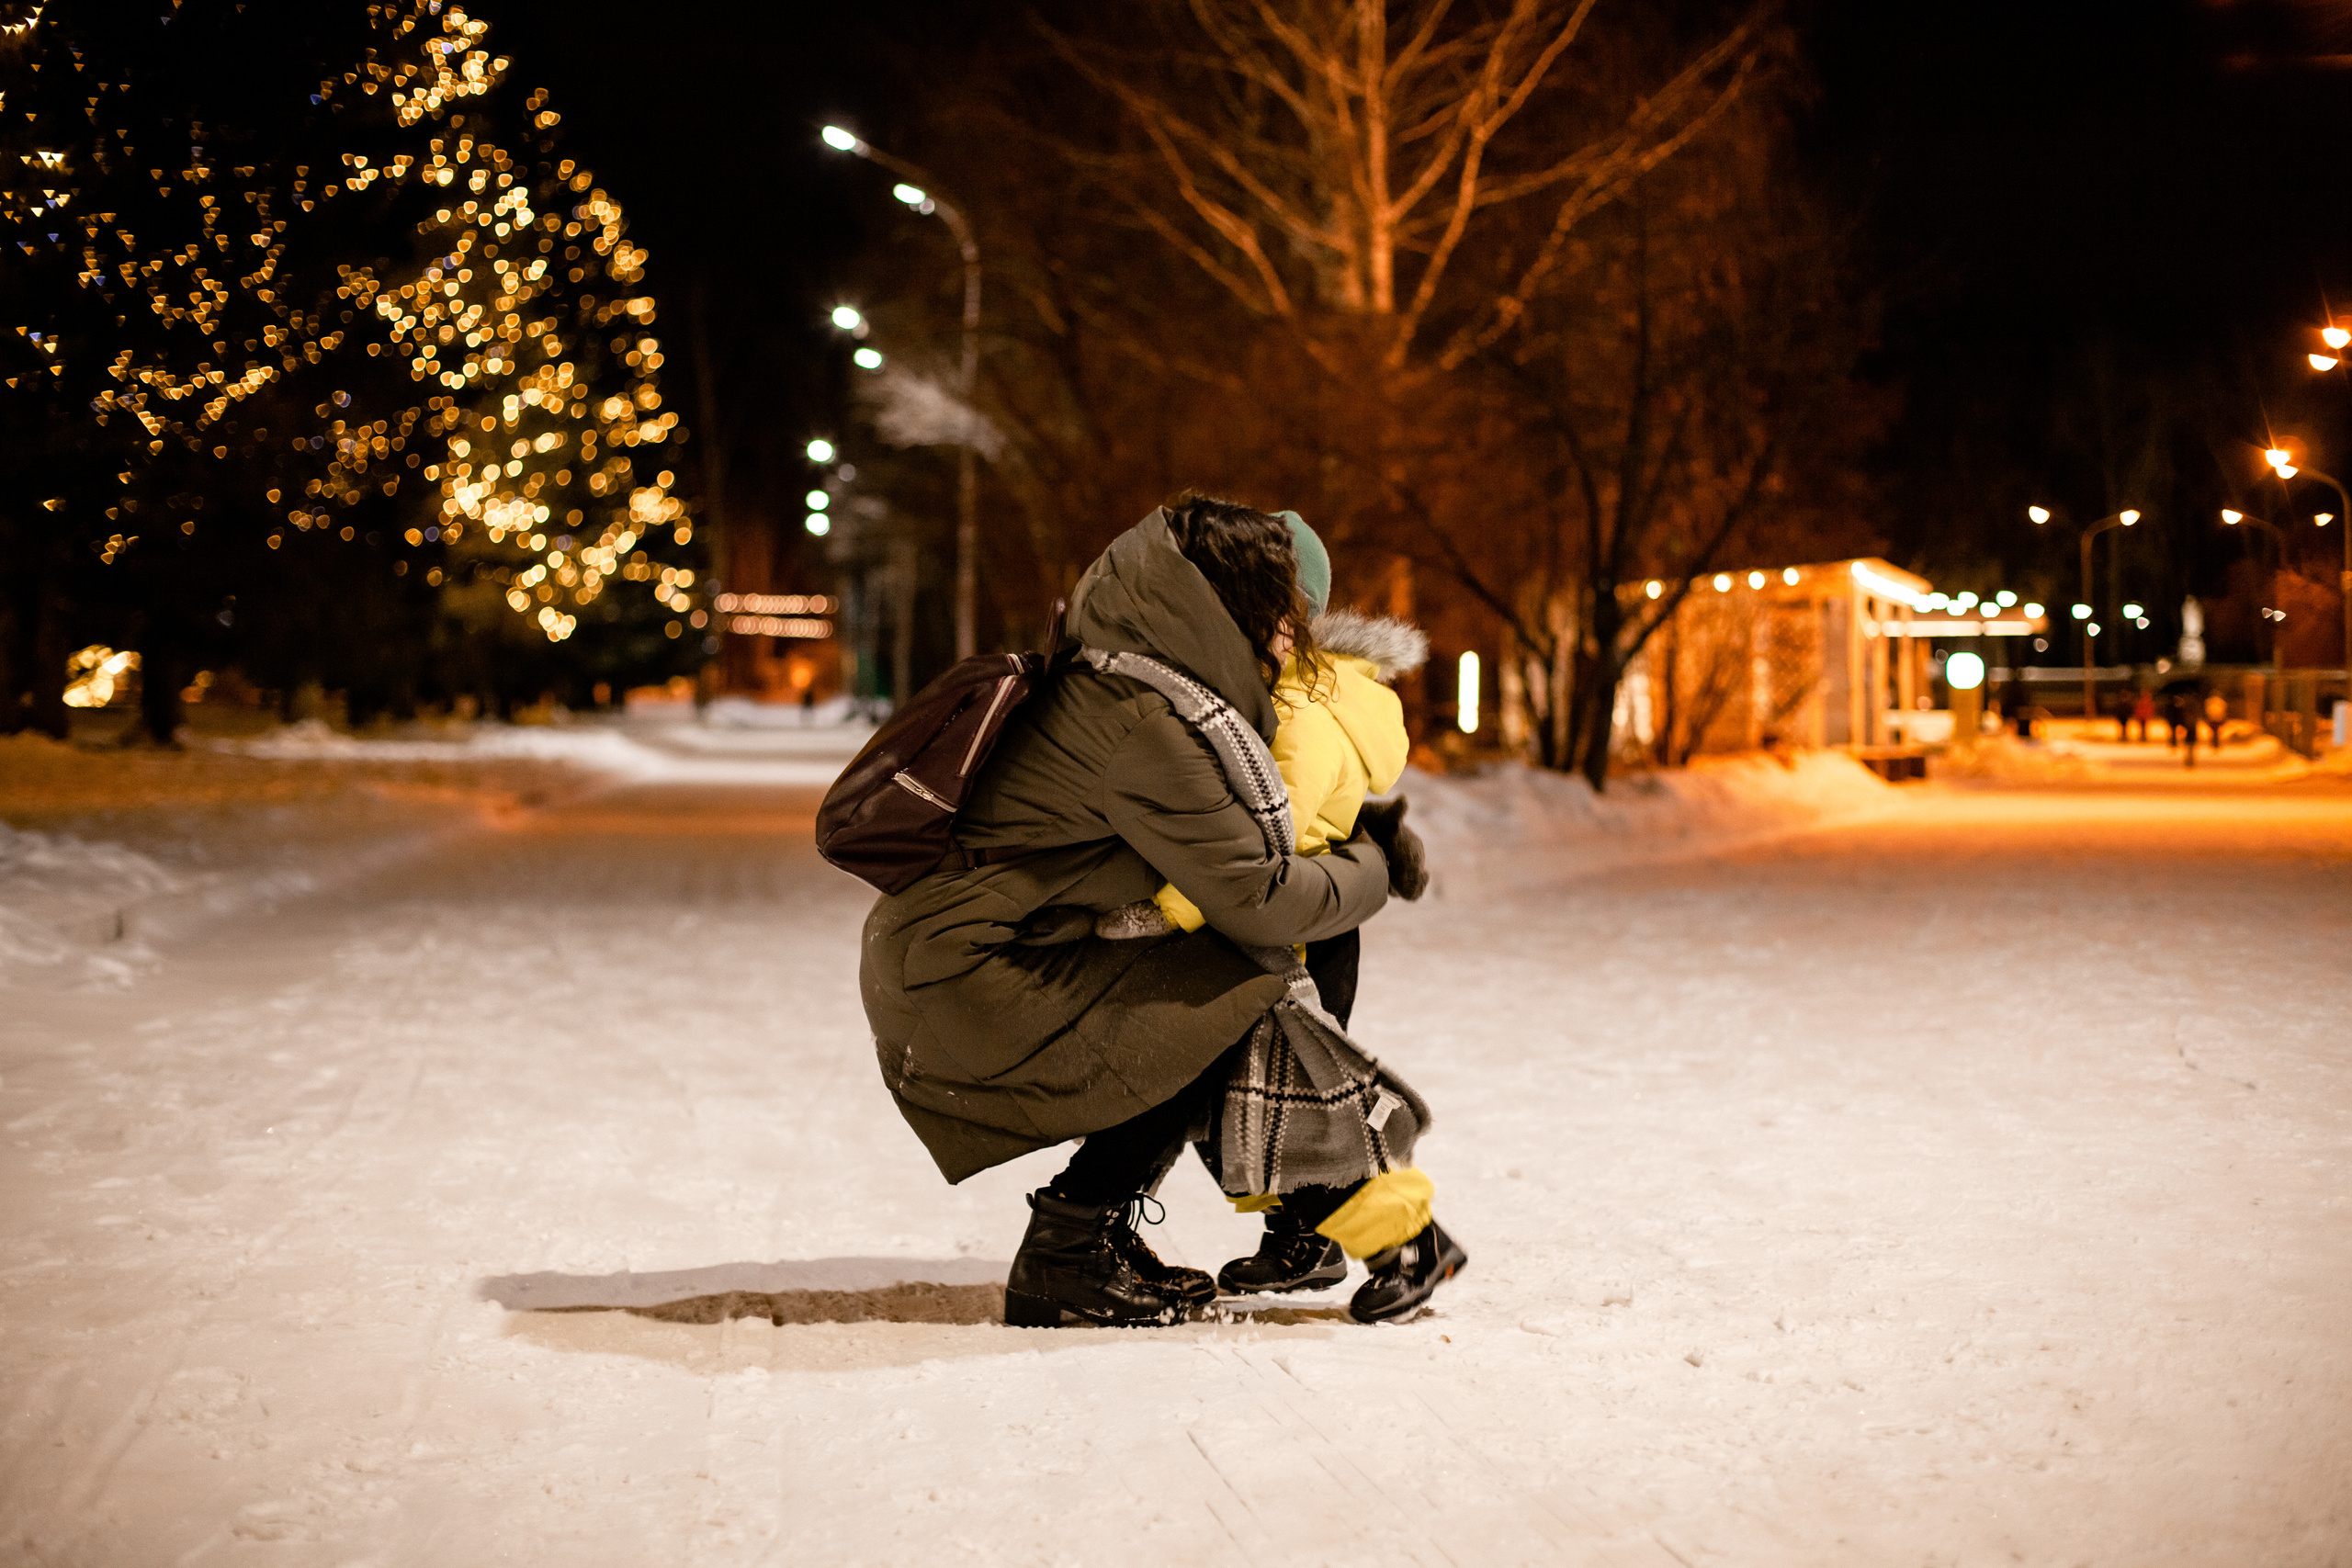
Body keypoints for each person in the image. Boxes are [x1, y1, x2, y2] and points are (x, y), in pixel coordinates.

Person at [858, 499, 1460, 1329]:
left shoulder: (1138, 677)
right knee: (1227, 994)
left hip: (974, 949)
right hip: (966, 976)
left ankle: (1136, 1228)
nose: (1297, 640)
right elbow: (1258, 897)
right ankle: (1073, 1244)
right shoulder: (1148, 723)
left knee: (1223, 986)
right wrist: (1374, 863)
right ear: (1238, 607)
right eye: (1287, 617)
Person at [1114, 513, 1432, 1297]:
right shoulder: (1298, 695)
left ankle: (1415, 1245)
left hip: (1299, 929)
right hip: (1303, 920)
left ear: (1290, 619)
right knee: (1268, 1100)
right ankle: (1303, 1241)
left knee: (1318, 1104)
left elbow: (1258, 843)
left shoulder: (1298, 712)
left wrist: (1167, 910)